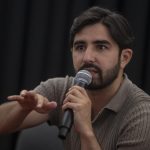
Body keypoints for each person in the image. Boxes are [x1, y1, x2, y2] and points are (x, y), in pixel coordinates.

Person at [0, 6, 150, 150]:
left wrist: (85, 130)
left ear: (124, 58)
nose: (87, 57)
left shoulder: (142, 114)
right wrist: (23, 109)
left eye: (101, 47)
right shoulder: (61, 89)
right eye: (80, 47)